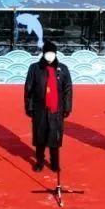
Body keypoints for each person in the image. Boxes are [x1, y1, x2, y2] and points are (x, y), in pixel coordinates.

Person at [24, 41, 72, 173]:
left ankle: (55, 162)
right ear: (43, 53)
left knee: (54, 136)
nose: (50, 55)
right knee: (40, 136)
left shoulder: (62, 69)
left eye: (52, 53)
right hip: (39, 108)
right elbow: (28, 88)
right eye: (47, 53)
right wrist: (29, 106)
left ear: (55, 54)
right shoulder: (35, 68)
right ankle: (39, 161)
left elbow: (67, 89)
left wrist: (67, 107)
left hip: (56, 109)